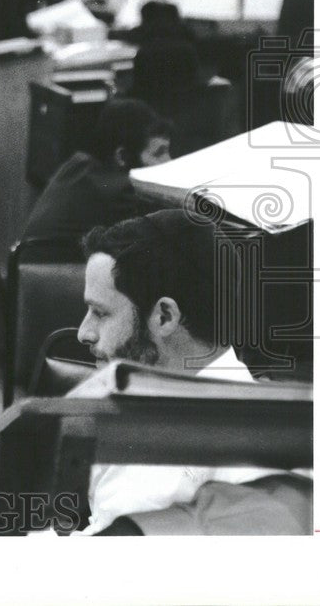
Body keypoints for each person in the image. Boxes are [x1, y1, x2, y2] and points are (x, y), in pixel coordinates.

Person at [74, 210, 299, 534]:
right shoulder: (145, 391)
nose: (84, 332)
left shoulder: (239, 459)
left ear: (165, 316)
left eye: (100, 312)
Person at [21, 99, 172, 243]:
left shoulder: (78, 164)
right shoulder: (120, 191)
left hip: (30, 264)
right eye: (158, 153)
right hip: (53, 267)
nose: (169, 161)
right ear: (122, 156)